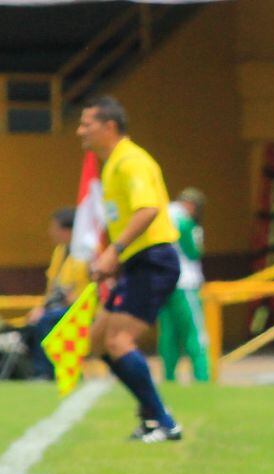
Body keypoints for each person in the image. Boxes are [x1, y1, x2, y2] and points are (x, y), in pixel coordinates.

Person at [77, 95, 183, 443]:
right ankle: (151, 418)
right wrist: (115, 261)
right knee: (99, 342)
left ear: (110, 127)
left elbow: (148, 210)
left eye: (86, 124)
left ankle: (165, 421)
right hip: (136, 263)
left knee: (119, 341)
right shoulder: (111, 165)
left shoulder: (130, 162)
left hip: (153, 260)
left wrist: (114, 252)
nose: (80, 132)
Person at [25, 208, 90, 379]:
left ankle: (45, 372)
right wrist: (40, 308)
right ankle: (37, 369)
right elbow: (53, 286)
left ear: (68, 231)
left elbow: (94, 287)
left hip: (83, 308)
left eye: (54, 228)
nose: (51, 232)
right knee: (36, 321)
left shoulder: (87, 252)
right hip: (60, 307)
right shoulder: (60, 252)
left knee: (46, 322)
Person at [157, 187, 210, 383]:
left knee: (168, 334)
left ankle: (169, 378)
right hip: (185, 284)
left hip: (164, 283)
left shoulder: (161, 216)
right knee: (195, 333)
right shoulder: (184, 221)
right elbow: (193, 253)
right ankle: (202, 377)